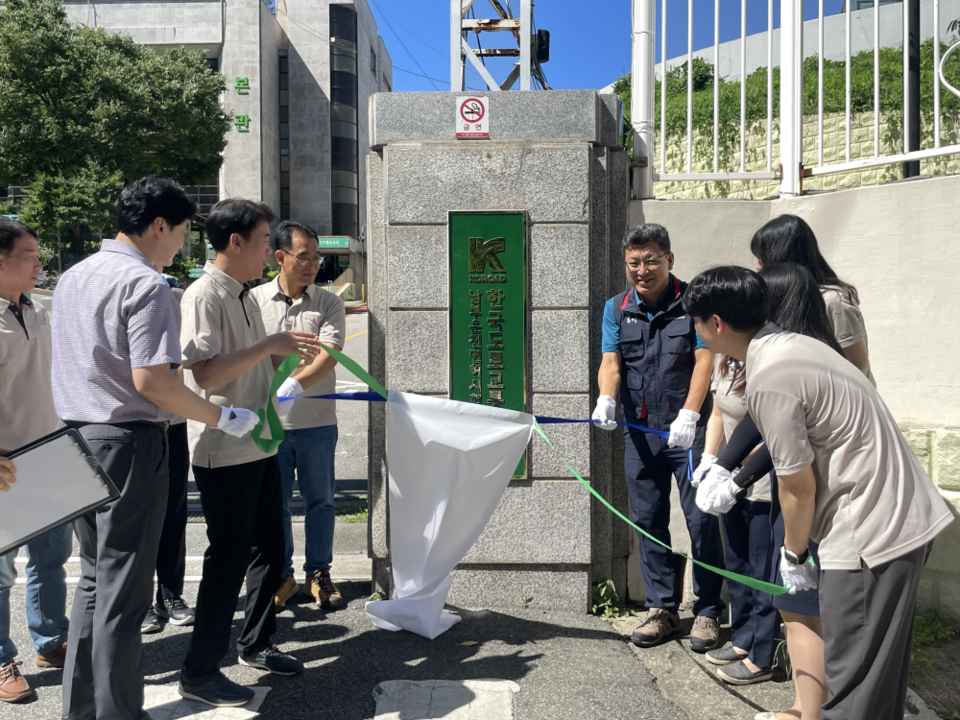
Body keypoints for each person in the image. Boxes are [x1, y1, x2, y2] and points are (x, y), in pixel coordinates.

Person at [684, 266, 953, 720]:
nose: (696, 332)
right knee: (876, 679)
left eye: (695, 322)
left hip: (870, 531)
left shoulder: (771, 374)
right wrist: (728, 471)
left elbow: (796, 483)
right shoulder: (796, 346)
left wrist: (793, 555)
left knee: (854, 684)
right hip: (900, 517)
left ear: (716, 324)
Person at [53, 176, 261, 720]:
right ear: (159, 226)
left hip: (74, 437)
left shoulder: (75, 276)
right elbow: (154, 382)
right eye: (183, 233)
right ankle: (121, 713)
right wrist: (222, 415)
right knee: (125, 591)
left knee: (94, 583)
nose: (183, 245)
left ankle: (83, 709)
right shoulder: (148, 285)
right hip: (128, 442)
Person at [178, 199, 320, 708]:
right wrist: (270, 346)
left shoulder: (240, 293)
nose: (270, 250)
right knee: (229, 555)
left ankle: (256, 644)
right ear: (235, 242)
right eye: (264, 241)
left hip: (258, 440)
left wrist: (277, 358)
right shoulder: (204, 295)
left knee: (269, 545)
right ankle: (199, 671)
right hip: (225, 446)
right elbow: (206, 373)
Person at [697, 263, 843, 713]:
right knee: (793, 607)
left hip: (833, 509)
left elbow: (795, 479)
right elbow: (749, 421)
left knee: (791, 597)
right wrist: (717, 465)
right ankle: (802, 708)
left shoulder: (778, 366)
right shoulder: (776, 356)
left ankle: (771, 662)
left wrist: (796, 552)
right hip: (802, 496)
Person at [591, 223, 724, 651]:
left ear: (669, 259)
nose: (642, 270)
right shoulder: (616, 308)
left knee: (701, 519)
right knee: (647, 520)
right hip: (641, 434)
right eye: (634, 262)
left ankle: (706, 612)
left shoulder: (693, 302)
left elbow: (706, 359)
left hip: (691, 433)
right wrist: (605, 399)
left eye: (650, 260)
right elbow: (611, 362)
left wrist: (689, 413)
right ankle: (662, 608)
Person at [251, 222, 347, 611]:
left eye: (316, 257)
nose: (312, 264)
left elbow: (330, 354)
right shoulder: (253, 300)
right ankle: (282, 573)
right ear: (280, 256)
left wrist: (292, 386)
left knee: (320, 500)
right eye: (304, 256)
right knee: (274, 504)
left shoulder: (328, 302)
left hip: (317, 421)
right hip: (268, 422)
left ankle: (319, 573)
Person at [0, 219, 72, 703]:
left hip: (48, 453)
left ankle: (50, 640)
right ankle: (2, 659)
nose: (39, 262)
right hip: (5, 465)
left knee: (52, 558)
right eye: (29, 254)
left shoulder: (38, 311)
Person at [696, 352, 777, 685]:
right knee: (737, 562)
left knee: (761, 567)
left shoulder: (767, 362)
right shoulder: (723, 357)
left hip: (763, 482)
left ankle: (764, 653)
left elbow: (772, 429)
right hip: (731, 476)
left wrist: (735, 475)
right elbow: (717, 412)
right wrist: (710, 459)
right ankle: (743, 638)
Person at [750, 214, 873, 384]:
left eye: (762, 259)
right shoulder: (780, 299)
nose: (757, 266)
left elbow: (858, 366)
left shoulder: (833, 301)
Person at [142, 266, 194, 634]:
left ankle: (171, 592)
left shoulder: (175, 299)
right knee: (139, 519)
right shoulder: (120, 293)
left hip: (173, 423)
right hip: (136, 425)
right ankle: (142, 600)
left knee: (174, 513)